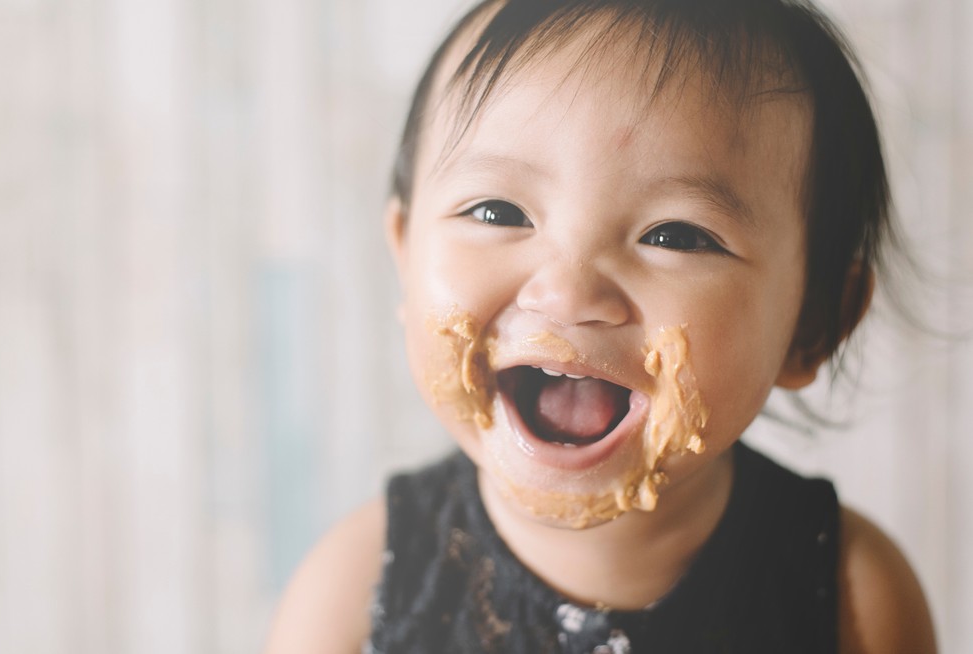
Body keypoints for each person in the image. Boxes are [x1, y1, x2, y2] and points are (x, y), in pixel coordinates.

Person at [266, 0, 937, 651]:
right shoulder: (354, 592)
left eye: (676, 235)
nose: (567, 292)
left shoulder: (852, 596)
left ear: (815, 323)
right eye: (498, 212)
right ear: (405, 255)